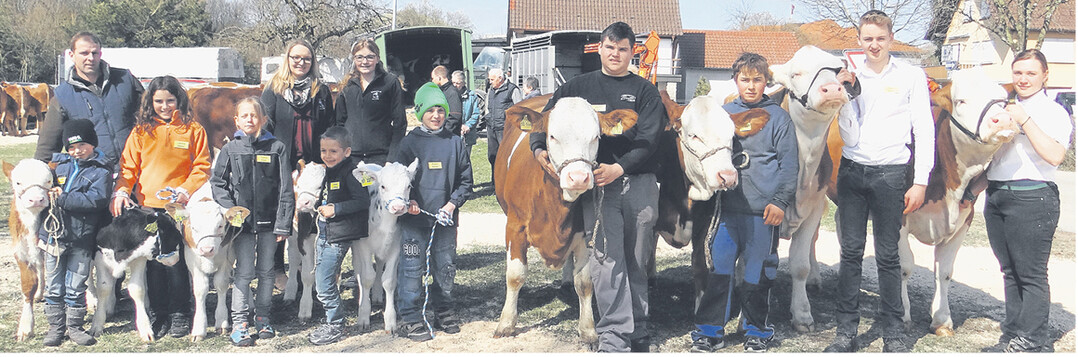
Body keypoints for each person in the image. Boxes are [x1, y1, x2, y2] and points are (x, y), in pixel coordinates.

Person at [530, 22, 665, 352]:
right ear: (600, 49)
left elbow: (650, 139)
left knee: (637, 258)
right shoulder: (577, 87)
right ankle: (614, 335)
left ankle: (638, 327)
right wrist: (537, 148)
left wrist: (620, 167)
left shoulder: (645, 91)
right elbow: (542, 121)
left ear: (632, 52)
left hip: (639, 183)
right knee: (606, 261)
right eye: (610, 47)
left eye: (622, 49)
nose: (615, 54)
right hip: (599, 188)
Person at [826, 10, 935, 353]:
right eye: (868, 39)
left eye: (880, 38)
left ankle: (894, 333)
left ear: (891, 38)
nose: (874, 45)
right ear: (859, 40)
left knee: (888, 255)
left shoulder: (911, 75)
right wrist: (845, 97)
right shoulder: (850, 76)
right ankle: (845, 332)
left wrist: (920, 181)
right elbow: (849, 135)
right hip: (852, 171)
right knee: (850, 253)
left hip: (891, 173)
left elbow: (925, 129)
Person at [690, 53, 798, 353]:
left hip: (762, 212)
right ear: (735, 80)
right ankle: (710, 331)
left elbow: (790, 166)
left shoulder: (779, 118)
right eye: (745, 79)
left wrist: (780, 202)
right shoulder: (722, 114)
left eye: (757, 80)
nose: (751, 86)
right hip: (725, 210)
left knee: (757, 274)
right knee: (719, 272)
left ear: (766, 82)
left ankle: (756, 331)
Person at [972, 49, 1071, 353]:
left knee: (1030, 274)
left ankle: (1034, 340)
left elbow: (1055, 156)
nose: (1023, 79)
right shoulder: (1005, 109)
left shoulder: (1053, 112)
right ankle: (1014, 334)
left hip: (1033, 197)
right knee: (1009, 271)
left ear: (1045, 76)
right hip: (998, 195)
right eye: (1018, 73)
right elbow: (999, 160)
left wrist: (1025, 120)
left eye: (1031, 73)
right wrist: (972, 190)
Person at [110, 75, 212, 339]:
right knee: (154, 261)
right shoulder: (141, 132)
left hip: (178, 209)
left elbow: (202, 167)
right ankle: (159, 313)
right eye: (159, 101)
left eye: (170, 100)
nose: (165, 106)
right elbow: (128, 168)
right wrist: (122, 190)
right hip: (149, 209)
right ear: (150, 102)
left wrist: (185, 190)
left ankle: (180, 312)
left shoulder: (193, 130)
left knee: (176, 261)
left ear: (179, 100)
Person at [391, 82, 473, 342]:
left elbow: (466, 181)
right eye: (430, 110)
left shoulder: (455, 143)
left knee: (445, 267)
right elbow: (398, 180)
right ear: (419, 112)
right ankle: (410, 316)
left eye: (440, 110)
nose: (436, 115)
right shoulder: (408, 143)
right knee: (412, 269)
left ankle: (444, 310)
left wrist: (452, 204)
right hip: (414, 222)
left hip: (445, 222)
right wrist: (410, 201)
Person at [210, 97, 295, 346]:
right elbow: (218, 182)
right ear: (236, 120)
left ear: (263, 120)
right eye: (245, 115)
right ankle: (240, 323)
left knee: (267, 271)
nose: (250, 119)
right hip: (242, 225)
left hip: (270, 222)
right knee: (244, 272)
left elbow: (285, 189)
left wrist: (283, 222)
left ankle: (263, 317)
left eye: (254, 115)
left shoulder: (277, 148)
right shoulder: (230, 149)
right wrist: (230, 208)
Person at [261, 39, 335, 290]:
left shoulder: (320, 90)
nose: (301, 62)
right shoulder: (273, 88)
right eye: (296, 57)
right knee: (281, 212)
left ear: (312, 62)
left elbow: (328, 125)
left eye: (306, 58)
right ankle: (277, 268)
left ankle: (305, 264)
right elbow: (265, 126)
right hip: (283, 161)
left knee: (308, 212)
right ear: (288, 59)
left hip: (313, 162)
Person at [38, 119, 110, 347]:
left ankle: (75, 327)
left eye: (82, 145)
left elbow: (96, 200)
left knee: (76, 285)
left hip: (81, 238)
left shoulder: (101, 172)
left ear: (92, 143)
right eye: (71, 147)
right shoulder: (57, 167)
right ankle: (56, 327)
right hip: (54, 237)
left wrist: (63, 198)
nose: (77, 151)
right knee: (53, 285)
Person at [36, 31, 143, 171]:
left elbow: (152, 115)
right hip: (96, 174)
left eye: (95, 53)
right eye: (84, 53)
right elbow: (47, 146)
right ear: (71, 55)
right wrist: (38, 172)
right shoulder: (62, 95)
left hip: (137, 169)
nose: (90, 58)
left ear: (100, 54)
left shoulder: (125, 80)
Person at [306, 126, 371, 346]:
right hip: (325, 233)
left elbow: (362, 201)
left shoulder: (352, 173)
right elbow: (327, 195)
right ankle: (332, 321)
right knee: (322, 280)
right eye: (323, 151)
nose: (327, 155)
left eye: (333, 151)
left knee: (324, 283)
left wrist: (336, 209)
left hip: (339, 236)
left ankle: (336, 325)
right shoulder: (329, 171)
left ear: (347, 152)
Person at [336, 38, 407, 165]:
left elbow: (400, 123)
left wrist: (391, 159)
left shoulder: (390, 83)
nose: (365, 62)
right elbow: (339, 123)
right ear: (354, 59)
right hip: (351, 158)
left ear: (377, 58)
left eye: (370, 57)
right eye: (359, 57)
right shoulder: (347, 86)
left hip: (382, 157)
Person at [484, 67, 522, 181]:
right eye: (489, 79)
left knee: (506, 156)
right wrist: (488, 117)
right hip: (492, 128)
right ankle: (495, 181)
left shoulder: (512, 90)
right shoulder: (491, 90)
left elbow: (519, 108)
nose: (490, 82)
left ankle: (508, 180)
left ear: (500, 78)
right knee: (492, 156)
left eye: (492, 79)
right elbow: (487, 106)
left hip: (505, 129)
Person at [452, 70, 482, 154]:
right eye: (453, 82)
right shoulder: (449, 96)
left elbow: (476, 113)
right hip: (453, 133)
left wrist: (467, 126)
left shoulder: (472, 96)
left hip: (467, 136)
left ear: (463, 83)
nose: (454, 85)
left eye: (457, 83)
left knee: (466, 158)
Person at [431, 65, 464, 136]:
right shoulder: (443, 91)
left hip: (449, 136)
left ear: (439, 78)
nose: (432, 81)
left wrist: (444, 133)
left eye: (433, 78)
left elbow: (454, 116)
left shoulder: (452, 93)